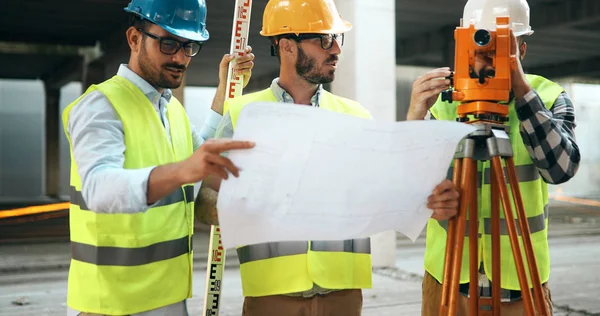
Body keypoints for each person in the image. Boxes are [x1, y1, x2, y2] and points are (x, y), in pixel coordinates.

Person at [194, 0, 460, 315]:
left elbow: (386, 191)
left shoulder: (355, 115)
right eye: (324, 39)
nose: (336, 49)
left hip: (344, 296)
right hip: (272, 296)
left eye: (338, 38)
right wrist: (247, 203)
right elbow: (204, 204)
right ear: (286, 46)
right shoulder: (243, 114)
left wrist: (424, 199)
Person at [61, 0, 256, 315]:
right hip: (112, 304)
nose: (180, 57)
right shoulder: (100, 106)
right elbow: (98, 187)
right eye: (168, 43)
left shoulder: (171, 109)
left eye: (188, 46)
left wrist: (227, 88)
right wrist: (182, 171)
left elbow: (203, 154)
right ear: (135, 38)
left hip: (168, 296)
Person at [407, 0, 581, 315]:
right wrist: (415, 115)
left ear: (522, 49)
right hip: (449, 280)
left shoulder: (549, 97)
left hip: (522, 282)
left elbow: (561, 169)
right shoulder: (445, 102)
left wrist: (521, 90)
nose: (487, 53)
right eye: (480, 41)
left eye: (502, 44)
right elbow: (407, 189)